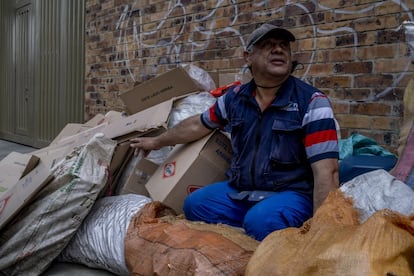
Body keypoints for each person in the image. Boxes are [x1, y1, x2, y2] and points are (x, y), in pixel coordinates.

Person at [130, 23, 339, 241]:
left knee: (261, 221)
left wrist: (322, 233)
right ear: (248, 57)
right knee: (194, 205)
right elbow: (197, 125)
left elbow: (327, 172)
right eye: (268, 45)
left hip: (291, 195)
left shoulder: (312, 102)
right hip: (241, 192)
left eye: (283, 46)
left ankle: (275, 242)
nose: (278, 50)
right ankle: (257, 233)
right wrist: (157, 143)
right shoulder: (235, 98)